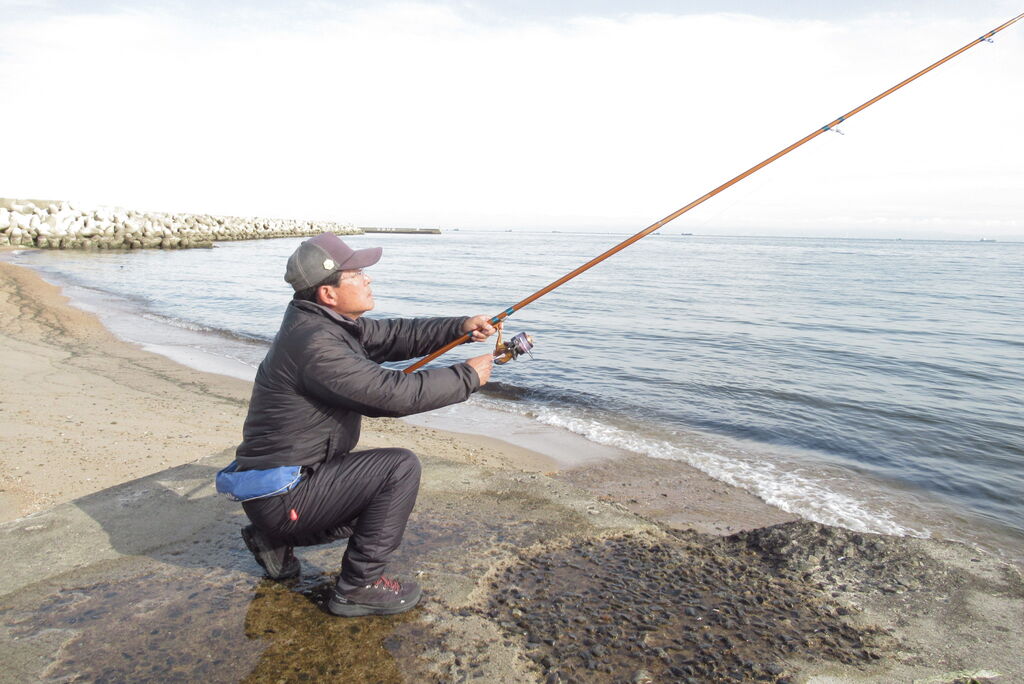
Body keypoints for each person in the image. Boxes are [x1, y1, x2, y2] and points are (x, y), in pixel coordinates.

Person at [226, 232, 496, 617]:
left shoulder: (324, 325)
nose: (368, 279)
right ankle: (358, 587)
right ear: (328, 294)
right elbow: (392, 394)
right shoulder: (317, 345)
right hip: (285, 494)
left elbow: (395, 336)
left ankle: (272, 538)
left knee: (379, 504)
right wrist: (467, 377)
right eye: (356, 274)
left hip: (284, 489)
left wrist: (460, 326)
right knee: (397, 470)